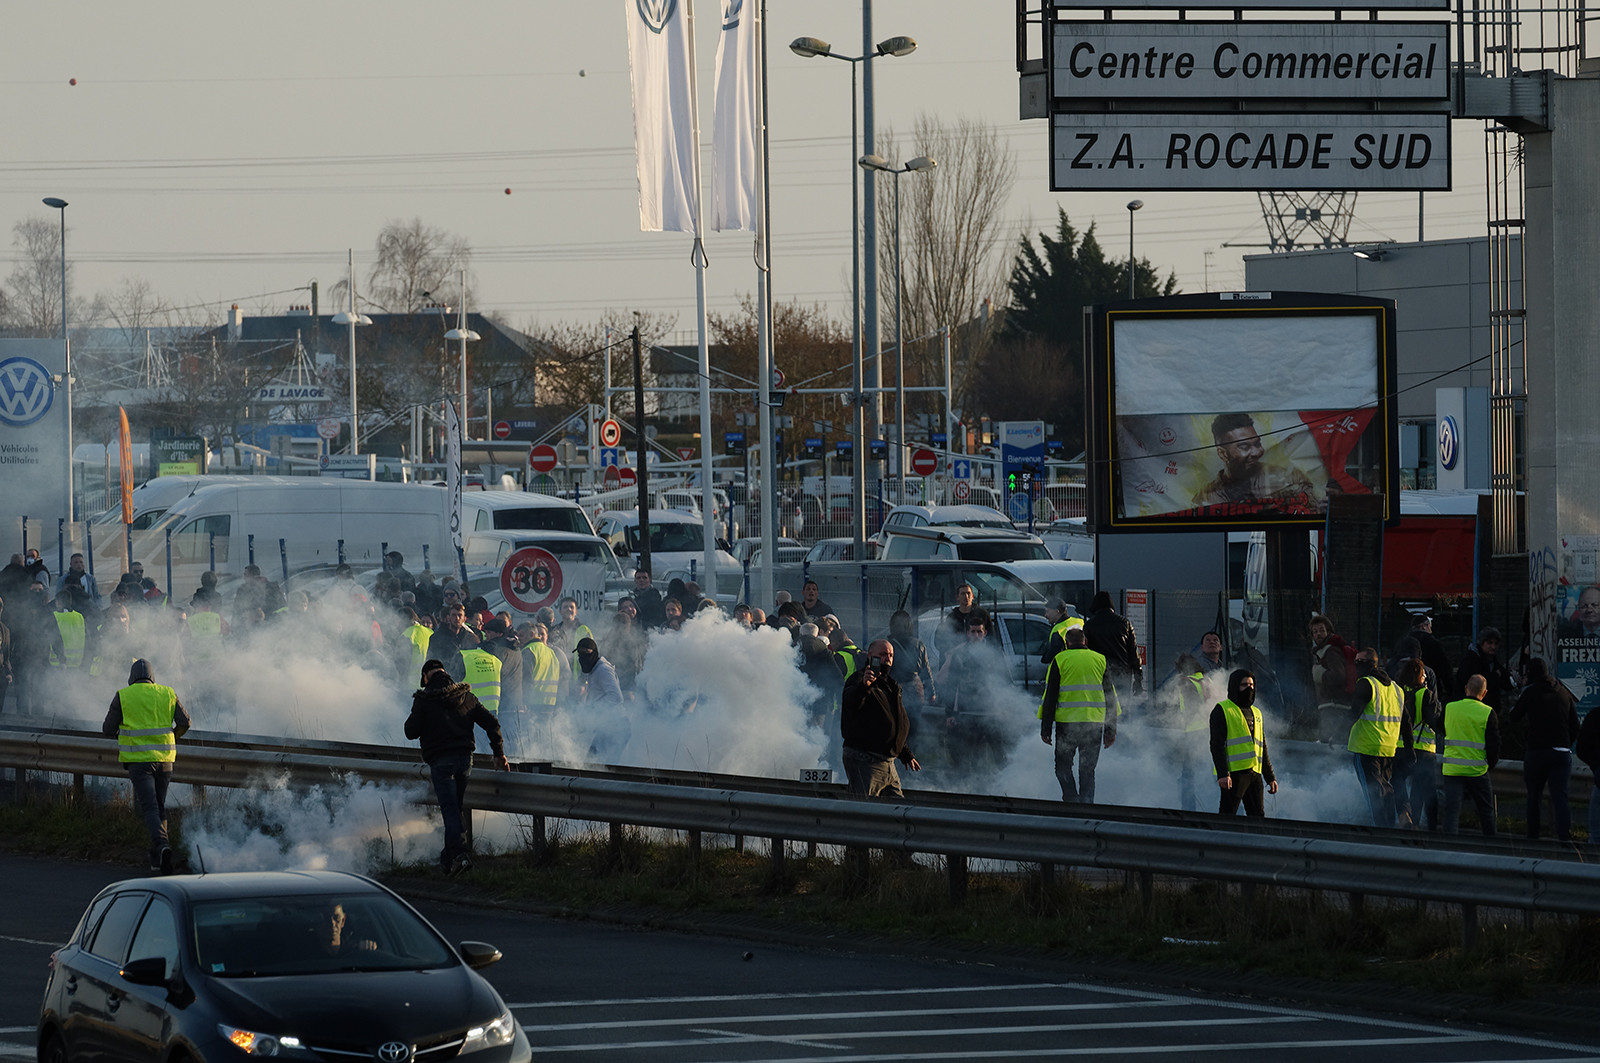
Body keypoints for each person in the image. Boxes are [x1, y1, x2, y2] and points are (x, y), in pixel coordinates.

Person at [405, 658, 508, 874]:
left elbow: (410, 731)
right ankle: (447, 860)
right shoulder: (466, 696)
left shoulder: (424, 699)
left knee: (450, 810)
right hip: (464, 760)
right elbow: (492, 723)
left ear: (426, 677)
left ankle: (460, 855)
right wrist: (499, 754)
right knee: (454, 809)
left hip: (441, 761)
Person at [102, 659, 191, 873]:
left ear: (131, 678)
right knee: (159, 805)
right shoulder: (167, 693)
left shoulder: (124, 695)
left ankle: (161, 845)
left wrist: (123, 736)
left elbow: (107, 729)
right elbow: (185, 722)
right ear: (153, 678)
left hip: (139, 762)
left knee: (150, 807)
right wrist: (173, 737)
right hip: (165, 760)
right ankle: (158, 856)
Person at [1037, 626, 1118, 804]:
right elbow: (1109, 697)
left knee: (1063, 768)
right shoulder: (1100, 660)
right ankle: (1087, 806)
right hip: (1094, 724)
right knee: (1087, 770)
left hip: (1067, 725)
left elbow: (1051, 696)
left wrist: (1046, 729)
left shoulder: (1060, 659)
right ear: (1085, 642)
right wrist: (1111, 730)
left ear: (1067, 643)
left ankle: (1071, 801)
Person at [1507, 657, 1581, 841]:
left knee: (1534, 796)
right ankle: (1564, 838)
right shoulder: (1564, 693)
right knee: (1560, 796)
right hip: (1561, 752)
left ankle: (1533, 837)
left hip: (1537, 751)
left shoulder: (1531, 693)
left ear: (1531, 674)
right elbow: (1575, 727)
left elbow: (1514, 716)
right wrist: (1565, 743)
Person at [840, 638, 920, 797]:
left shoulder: (890, 684)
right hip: (866, 761)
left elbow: (894, 720)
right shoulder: (859, 679)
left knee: (895, 813)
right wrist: (864, 687)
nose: (887, 658)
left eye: (890, 655)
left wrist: (904, 753)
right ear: (870, 656)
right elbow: (850, 703)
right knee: (862, 811)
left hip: (888, 763)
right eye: (882, 654)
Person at [1190, 412, 1318, 511]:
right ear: (1223, 453)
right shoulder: (1204, 499)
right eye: (1244, 447)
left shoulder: (1290, 478)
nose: (1257, 452)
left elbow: (1315, 509)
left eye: (1258, 444)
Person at [1209, 668, 1278, 816]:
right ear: (1235, 686)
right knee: (1228, 814)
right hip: (1234, 775)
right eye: (1244, 685)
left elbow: (1262, 748)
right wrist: (1223, 773)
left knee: (1258, 816)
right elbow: (1217, 745)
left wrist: (1270, 777)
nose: (1249, 688)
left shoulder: (1257, 713)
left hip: (1255, 773)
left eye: (1251, 685)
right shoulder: (1222, 710)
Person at [1347, 647, 1402, 827]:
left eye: (1359, 662)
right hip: (1388, 748)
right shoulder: (1395, 688)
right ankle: (1390, 829)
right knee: (1386, 790)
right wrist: (1408, 746)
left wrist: (1335, 733)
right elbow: (1406, 721)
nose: (1356, 665)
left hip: (1367, 747)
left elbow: (1353, 713)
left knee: (1373, 794)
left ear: (1370, 663)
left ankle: (1380, 834)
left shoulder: (1366, 683)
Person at [1440, 674, 1500, 836]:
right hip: (1477, 770)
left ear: (1466, 689)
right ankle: (1491, 849)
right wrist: (1490, 764)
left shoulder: (1450, 708)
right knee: (1486, 812)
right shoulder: (1488, 713)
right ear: (1485, 693)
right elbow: (1494, 745)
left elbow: (1440, 727)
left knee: (1452, 813)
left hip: (1453, 770)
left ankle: (1447, 851)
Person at [1393, 657, 1442, 830]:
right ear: (1419, 676)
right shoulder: (1425, 694)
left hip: (1401, 748)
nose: (1425, 679)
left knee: (1397, 780)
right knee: (1426, 790)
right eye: (1423, 676)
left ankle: (1406, 815)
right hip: (1423, 750)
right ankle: (1432, 827)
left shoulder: (1398, 693)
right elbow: (1433, 722)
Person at [1083, 590, 1143, 696]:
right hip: (1123, 672)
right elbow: (1134, 653)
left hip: (1099, 672)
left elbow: (1087, 652)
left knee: (1104, 706)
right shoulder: (1125, 623)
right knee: (1122, 706)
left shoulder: (1089, 625)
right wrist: (1138, 679)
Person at [884, 609, 936, 711]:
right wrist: (931, 693)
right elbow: (926, 672)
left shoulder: (888, 646)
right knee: (914, 722)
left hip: (893, 691)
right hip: (915, 691)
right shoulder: (919, 645)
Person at [1453, 628, 1513, 709]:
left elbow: (1504, 681)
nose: (1493, 647)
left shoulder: (1493, 662)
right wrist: (1495, 676)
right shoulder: (1471, 661)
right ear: (1481, 643)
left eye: (1496, 644)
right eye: (1489, 643)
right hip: (1471, 707)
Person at [426, 603, 480, 680]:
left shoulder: (470, 638)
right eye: (454, 615)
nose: (457, 618)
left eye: (459, 615)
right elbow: (430, 661)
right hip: (445, 679)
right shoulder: (437, 638)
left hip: (467, 680)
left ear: (464, 619)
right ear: (448, 618)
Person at [936, 582, 989, 656]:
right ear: (957, 597)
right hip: (958, 658)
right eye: (963, 594)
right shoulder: (952, 617)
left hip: (979, 656)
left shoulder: (982, 614)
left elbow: (992, 637)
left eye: (968, 593)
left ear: (973, 596)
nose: (966, 596)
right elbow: (944, 639)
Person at [1408, 613, 1454, 688]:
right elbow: (1445, 668)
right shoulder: (1433, 643)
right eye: (1430, 626)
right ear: (1424, 627)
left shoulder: (1403, 642)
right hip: (1431, 684)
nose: (1431, 630)